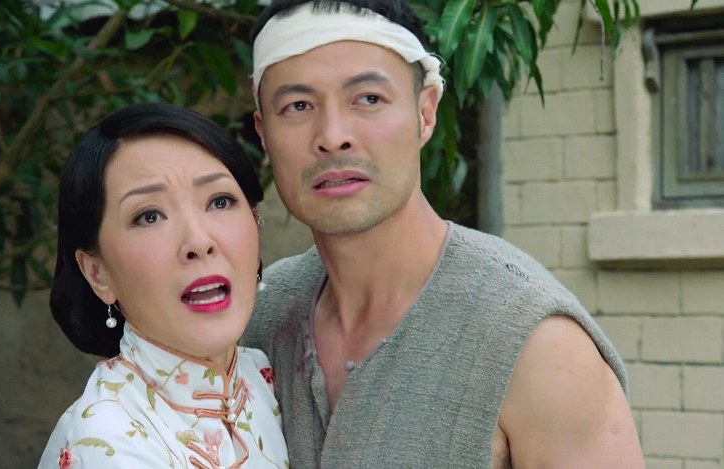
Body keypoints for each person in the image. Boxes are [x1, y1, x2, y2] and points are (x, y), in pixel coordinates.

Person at [241, 0, 645, 467]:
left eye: (368, 99)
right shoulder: (256, 317)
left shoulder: (534, 344)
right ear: (263, 132)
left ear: (426, 112)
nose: (332, 136)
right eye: (298, 106)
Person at [39, 102, 288, 468]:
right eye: (149, 216)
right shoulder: (105, 444)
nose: (199, 241)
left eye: (220, 201)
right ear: (97, 273)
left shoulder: (263, 376)